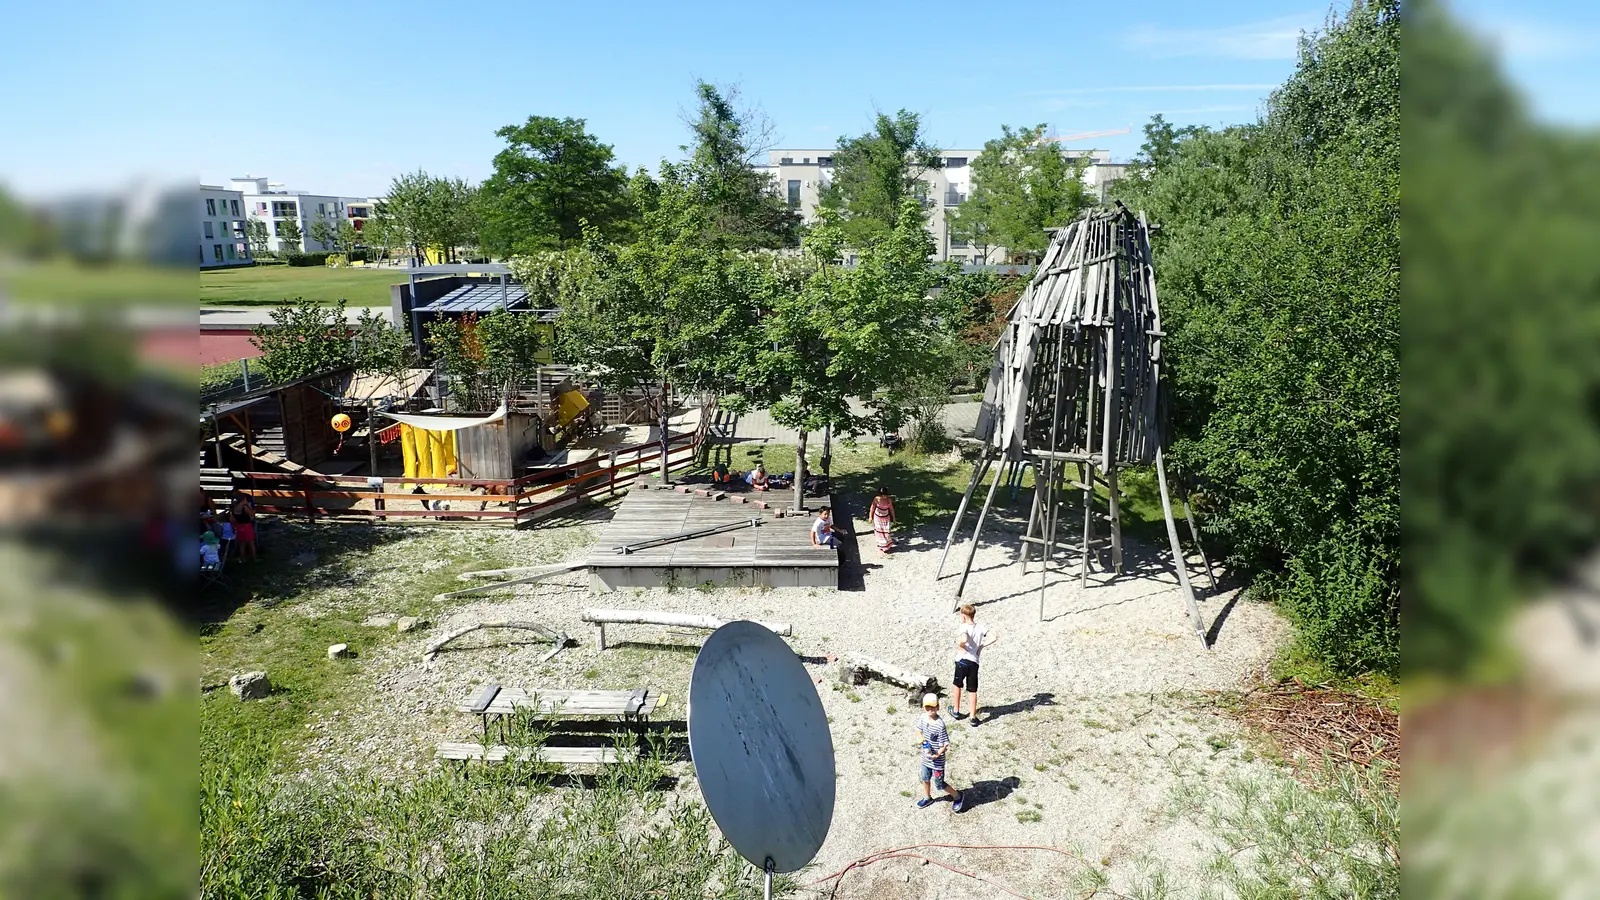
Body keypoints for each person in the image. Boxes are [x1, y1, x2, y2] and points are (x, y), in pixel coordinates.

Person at [914, 692, 966, 811]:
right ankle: (927, 797)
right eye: (928, 707)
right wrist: (921, 739)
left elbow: (945, 744)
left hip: (937, 761)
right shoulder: (923, 718)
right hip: (926, 758)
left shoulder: (940, 725)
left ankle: (958, 796)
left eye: (933, 707)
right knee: (925, 778)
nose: (930, 710)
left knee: (939, 783)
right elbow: (918, 730)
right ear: (924, 707)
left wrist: (937, 754)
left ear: (938, 707)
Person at [951, 604, 998, 725]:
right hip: (974, 662)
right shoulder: (980, 627)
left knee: (957, 684)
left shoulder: (963, 626)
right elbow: (994, 637)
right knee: (972, 689)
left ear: (964, 616)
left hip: (962, 659)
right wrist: (981, 646)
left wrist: (960, 643)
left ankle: (956, 710)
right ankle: (972, 716)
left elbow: (964, 639)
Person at [229, 493, 257, 563]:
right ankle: (254, 558)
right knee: (251, 543)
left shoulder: (234, 508)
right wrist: (249, 506)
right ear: (243, 499)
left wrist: (233, 527)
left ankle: (243, 559)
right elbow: (252, 515)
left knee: (242, 544)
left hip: (239, 526)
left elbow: (232, 520)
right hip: (247, 526)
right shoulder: (245, 507)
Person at [868, 486, 897, 553]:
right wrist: (870, 517)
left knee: (887, 531)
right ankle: (881, 545)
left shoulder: (889, 500)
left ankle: (887, 544)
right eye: (882, 495)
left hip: (886, 517)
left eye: (885, 495)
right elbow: (872, 508)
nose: (884, 497)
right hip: (878, 517)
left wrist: (894, 518)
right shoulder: (876, 499)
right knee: (879, 532)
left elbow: (891, 509)